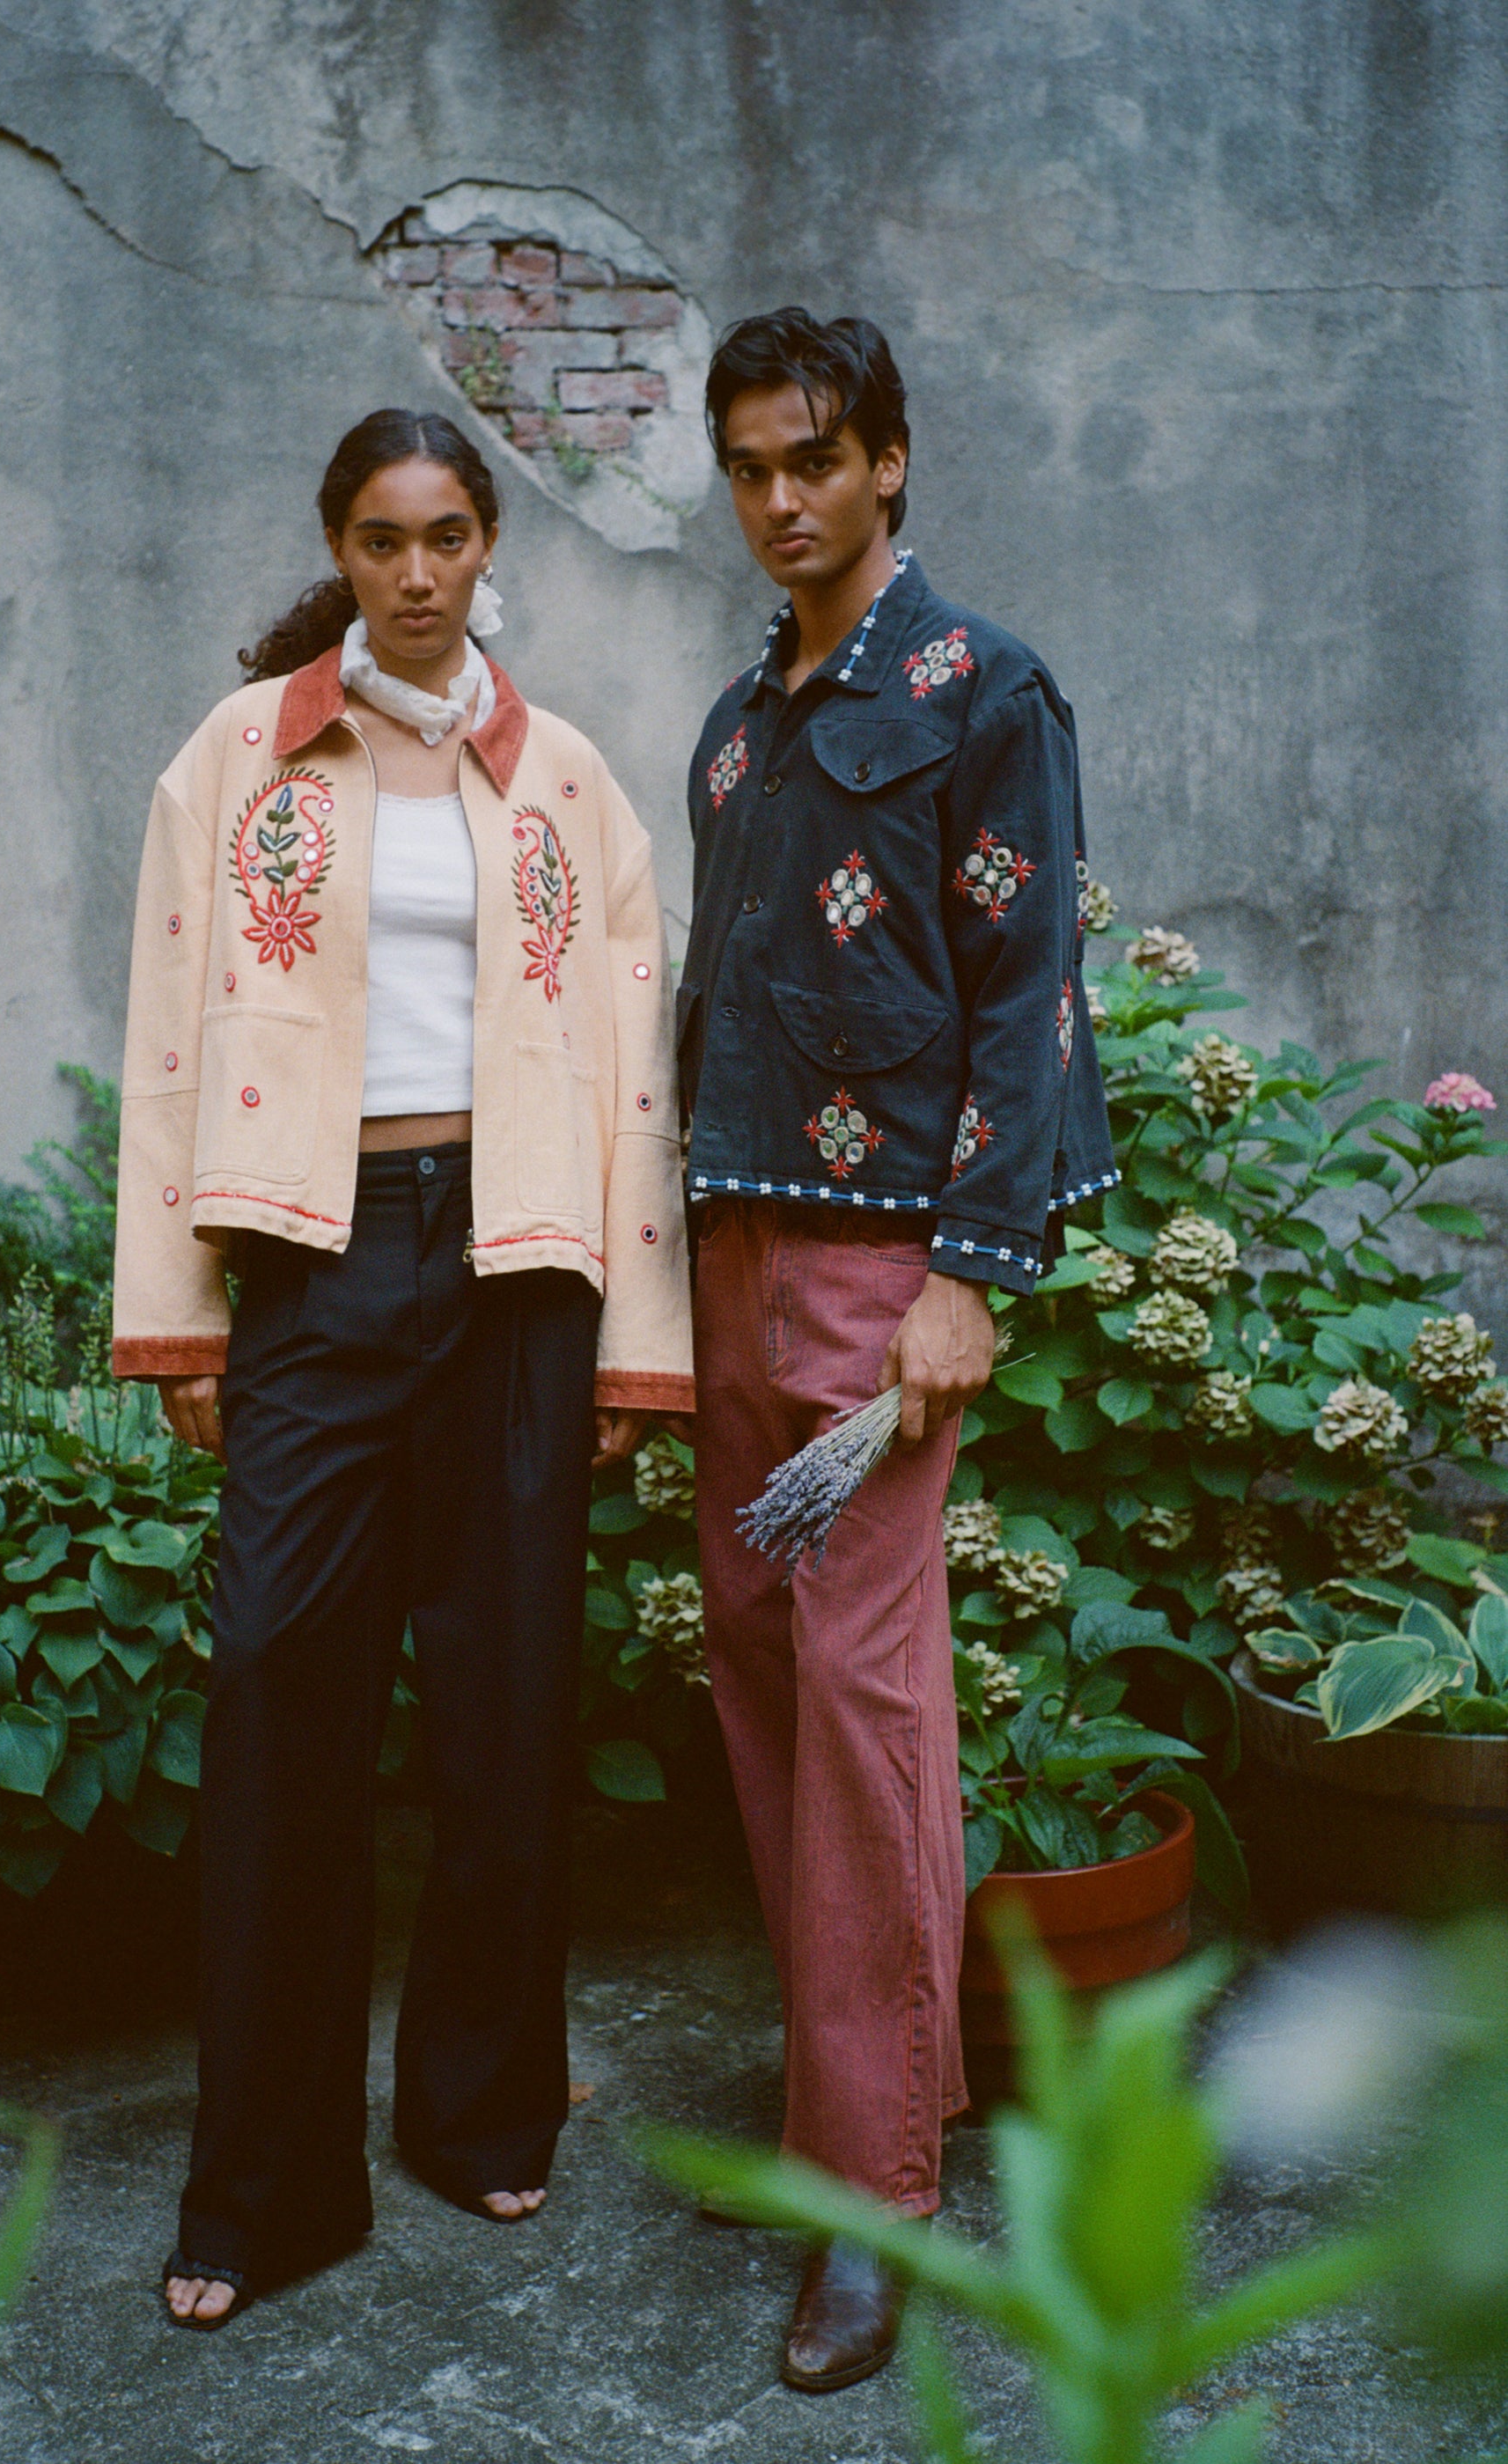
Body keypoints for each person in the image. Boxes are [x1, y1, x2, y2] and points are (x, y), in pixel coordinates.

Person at [110, 408, 694, 2328]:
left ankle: (478, 2105)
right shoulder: (243, 760)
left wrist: (640, 1331)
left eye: (446, 534)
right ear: (340, 548)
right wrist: (182, 1302)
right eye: (381, 537)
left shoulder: (571, 784)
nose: (418, 571)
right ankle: (268, 2182)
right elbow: (170, 1034)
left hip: (520, 1274)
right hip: (313, 1262)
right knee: (281, 1695)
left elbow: (635, 1083)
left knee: (507, 1713)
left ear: (490, 537)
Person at [680, 310, 1115, 2391]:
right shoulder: (739, 721)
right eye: (753, 464)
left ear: (892, 463)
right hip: (733, 1248)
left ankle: (866, 2201)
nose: (783, 498)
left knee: (862, 1701)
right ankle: (862, 2102)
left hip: (877, 1280)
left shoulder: (982, 686)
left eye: (817, 461)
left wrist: (968, 1272)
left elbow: (1033, 987)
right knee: (764, 1677)